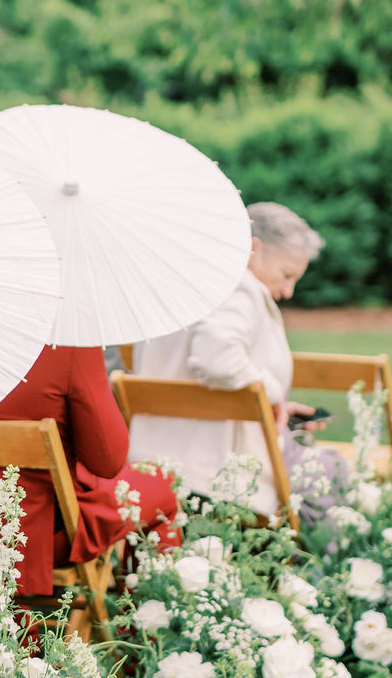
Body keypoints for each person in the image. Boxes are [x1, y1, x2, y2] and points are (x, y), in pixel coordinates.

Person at [0, 344, 181, 597]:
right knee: (164, 485)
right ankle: (148, 631)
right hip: (34, 539)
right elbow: (108, 461)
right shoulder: (66, 343)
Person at [127, 202, 344, 523]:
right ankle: (314, 567)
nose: (288, 291)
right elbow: (218, 360)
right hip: (210, 469)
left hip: (154, 457)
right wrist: (270, 393)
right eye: (286, 275)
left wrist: (277, 404)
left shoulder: (179, 283)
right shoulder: (235, 286)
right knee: (333, 470)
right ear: (254, 248)